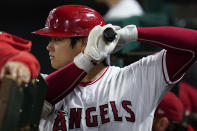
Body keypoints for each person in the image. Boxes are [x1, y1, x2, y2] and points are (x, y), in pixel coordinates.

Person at [32, 4, 197, 131]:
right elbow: (37, 97)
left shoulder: (136, 77)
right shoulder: (46, 83)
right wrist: (87, 59)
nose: (49, 47)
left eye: (57, 39)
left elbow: (193, 42)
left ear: (84, 42)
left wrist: (133, 34)